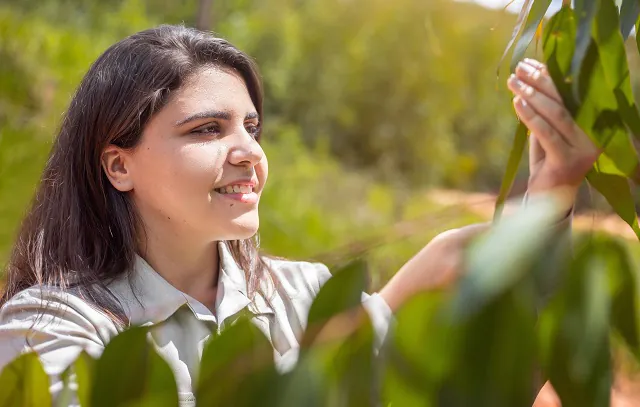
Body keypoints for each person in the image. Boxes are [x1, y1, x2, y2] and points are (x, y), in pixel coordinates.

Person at [0, 25, 598, 406]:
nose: (249, 153)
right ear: (118, 166)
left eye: (251, 128)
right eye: (207, 129)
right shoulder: (49, 329)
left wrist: (551, 193)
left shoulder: (306, 295)